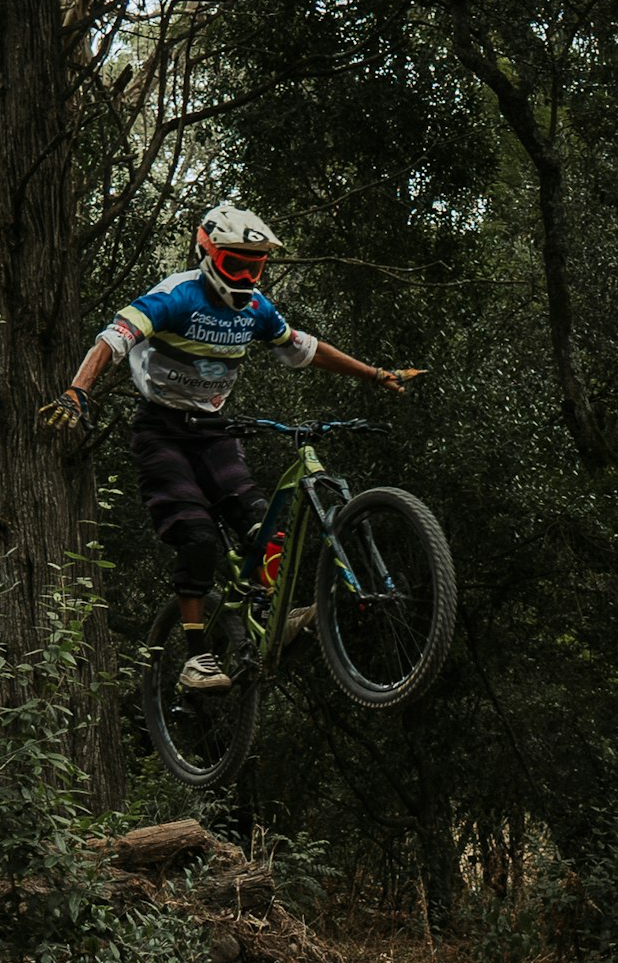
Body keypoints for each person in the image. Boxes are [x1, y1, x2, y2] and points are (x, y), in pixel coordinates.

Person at [42, 201, 408, 690]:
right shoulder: (175, 296)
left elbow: (306, 348)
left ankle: (272, 611)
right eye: (236, 263)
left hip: (216, 431)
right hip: (161, 431)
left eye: (255, 266)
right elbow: (113, 339)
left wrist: (374, 374)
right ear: (207, 254)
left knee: (266, 527)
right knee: (197, 538)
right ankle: (197, 660)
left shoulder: (257, 308)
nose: (246, 276)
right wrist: (77, 390)